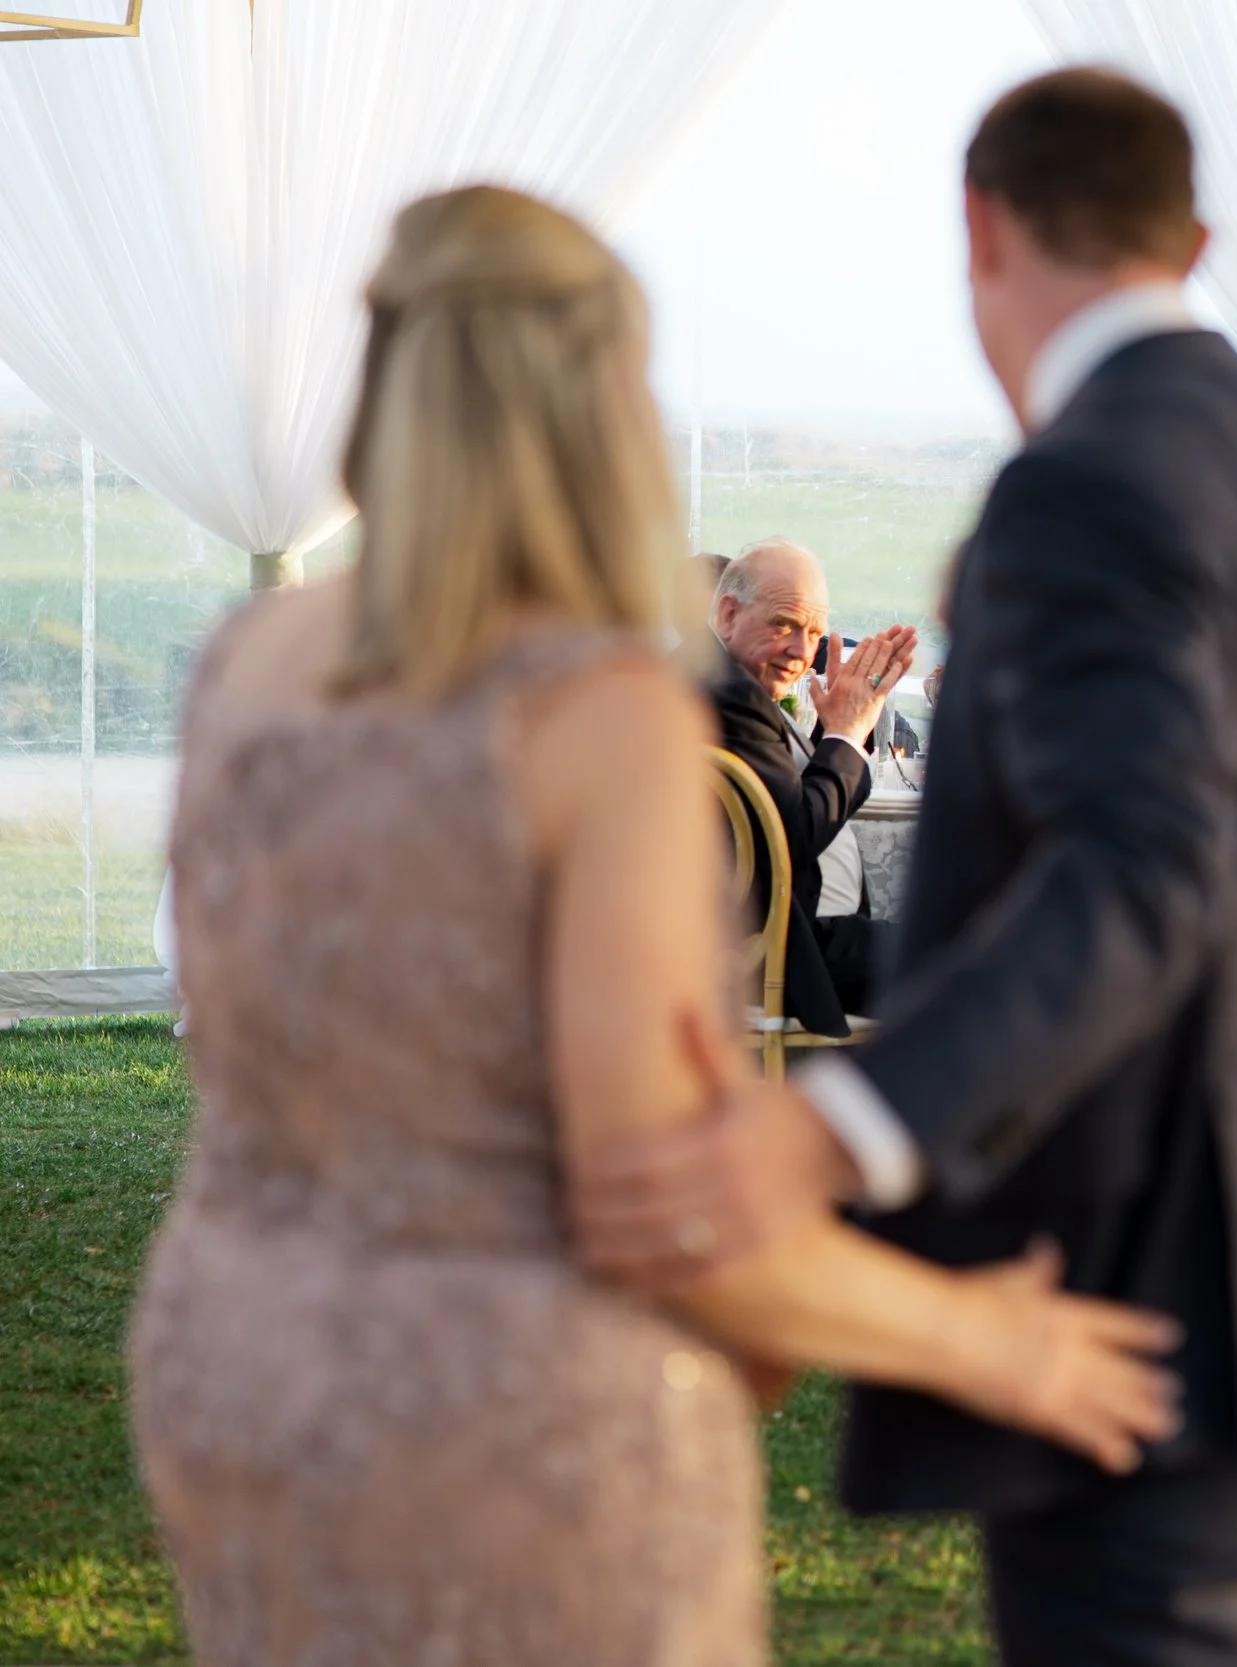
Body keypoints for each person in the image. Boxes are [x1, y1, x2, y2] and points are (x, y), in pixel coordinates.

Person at [124, 184, 1180, 1667]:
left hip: (232, 1360)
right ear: (600, 408)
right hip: (505, 1414)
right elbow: (665, 1204)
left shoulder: (249, 664)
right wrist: (989, 1336)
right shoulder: (594, 714)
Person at [574, 69, 1237, 1667]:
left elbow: (1137, 871)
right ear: (1192, 235)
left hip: (1146, 1318)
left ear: (978, 226)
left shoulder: (1081, 487)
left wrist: (839, 1126)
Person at [707, 536, 914, 1029]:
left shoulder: (725, 679)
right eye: (785, 625)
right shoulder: (727, 694)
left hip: (786, 933)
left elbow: (778, 794)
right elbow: (789, 836)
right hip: (773, 954)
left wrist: (831, 733)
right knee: (954, 959)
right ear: (728, 614)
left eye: (816, 634)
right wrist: (846, 734)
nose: (802, 651)